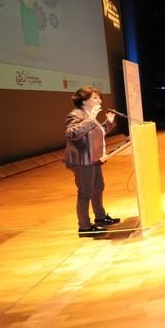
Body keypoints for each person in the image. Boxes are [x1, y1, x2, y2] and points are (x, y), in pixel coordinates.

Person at [64, 86, 120, 237]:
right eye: (95, 97)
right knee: (85, 192)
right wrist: (90, 119)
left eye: (99, 97)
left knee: (98, 187)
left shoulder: (90, 115)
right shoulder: (76, 114)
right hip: (82, 160)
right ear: (84, 100)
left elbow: (95, 135)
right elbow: (72, 134)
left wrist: (108, 123)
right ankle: (84, 226)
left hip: (94, 158)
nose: (100, 100)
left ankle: (100, 217)